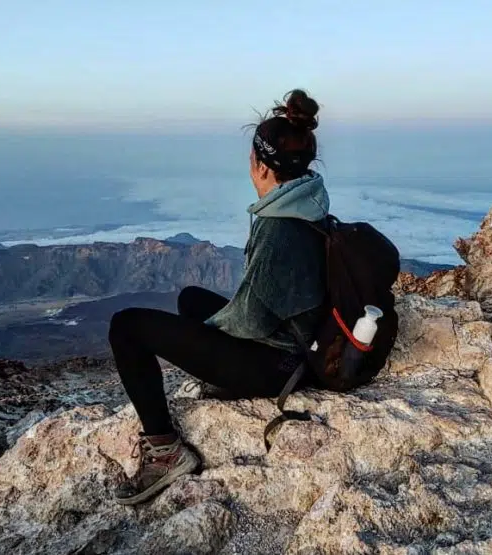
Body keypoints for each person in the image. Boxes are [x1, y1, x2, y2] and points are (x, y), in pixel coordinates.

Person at [108, 89, 330, 505]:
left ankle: (165, 450)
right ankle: (218, 378)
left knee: (127, 327)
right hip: (297, 346)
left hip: (279, 365)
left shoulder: (281, 228)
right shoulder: (307, 204)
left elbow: (250, 322)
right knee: (191, 298)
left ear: (260, 166)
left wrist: (202, 340)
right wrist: (200, 338)